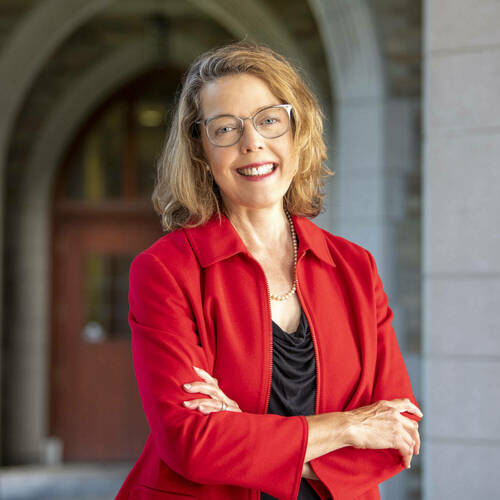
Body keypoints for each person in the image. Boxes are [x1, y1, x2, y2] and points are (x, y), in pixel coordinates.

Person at [115, 40, 422, 500]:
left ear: (297, 132)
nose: (252, 142)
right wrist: (349, 427)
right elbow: (192, 444)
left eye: (269, 120)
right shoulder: (165, 271)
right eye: (225, 128)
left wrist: (244, 436)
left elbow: (396, 431)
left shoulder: (354, 268)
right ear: (201, 150)